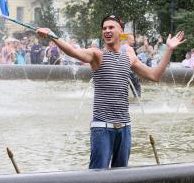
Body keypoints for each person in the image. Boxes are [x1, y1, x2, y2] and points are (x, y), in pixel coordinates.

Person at [36, 14, 185, 169]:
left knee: (120, 177)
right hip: (102, 128)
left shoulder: (129, 56)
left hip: (125, 129)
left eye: (111, 27)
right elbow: (73, 52)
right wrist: (53, 36)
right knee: (98, 178)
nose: (106, 30)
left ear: (121, 32)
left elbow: (155, 76)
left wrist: (169, 49)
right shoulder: (97, 55)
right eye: (104, 28)